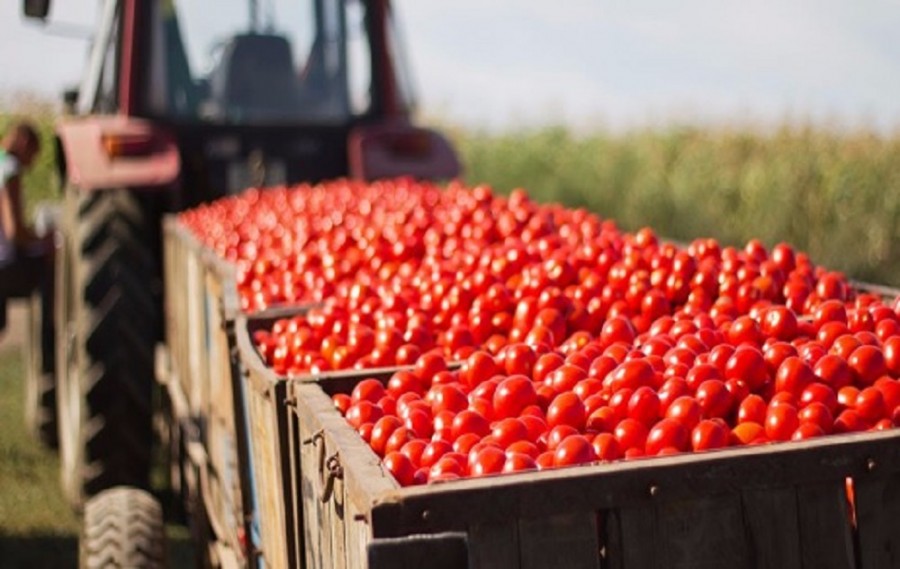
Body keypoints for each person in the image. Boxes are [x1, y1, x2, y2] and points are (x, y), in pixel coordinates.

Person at [0, 121, 47, 335]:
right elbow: (14, 231)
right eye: (33, 156)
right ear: (24, 142)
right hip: (5, 265)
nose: (31, 165)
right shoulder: (9, 169)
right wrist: (44, 241)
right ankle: (50, 345)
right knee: (52, 262)